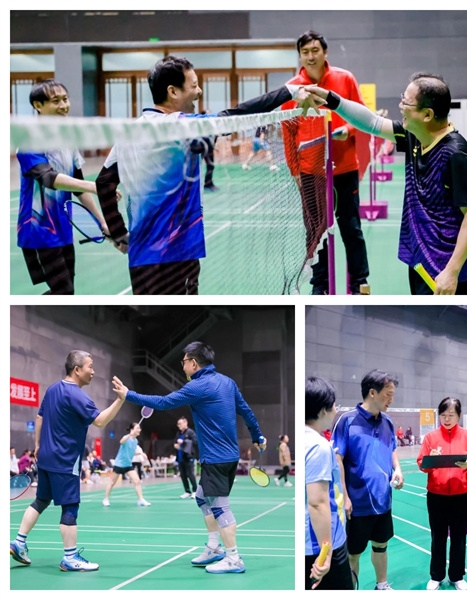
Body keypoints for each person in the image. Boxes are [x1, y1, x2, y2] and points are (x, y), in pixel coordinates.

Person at [96, 55, 320, 295]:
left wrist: (119, 233)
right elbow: (236, 115)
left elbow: (104, 181)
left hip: (141, 257)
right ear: (173, 91)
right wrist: (290, 91)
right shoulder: (181, 126)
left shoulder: (130, 131)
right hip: (177, 254)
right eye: (193, 85)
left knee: (150, 314)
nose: (199, 91)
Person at [306, 72, 467, 295]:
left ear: (427, 114)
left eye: (406, 102)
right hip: (421, 263)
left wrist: (451, 271)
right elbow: (372, 122)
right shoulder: (416, 137)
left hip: (447, 274)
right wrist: (330, 99)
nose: (400, 106)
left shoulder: (455, 154)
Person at [112, 341, 266, 574]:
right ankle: (214, 548)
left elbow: (164, 402)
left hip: (216, 458)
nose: (182, 366)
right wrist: (257, 436)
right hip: (228, 456)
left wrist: (128, 395)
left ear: (194, 363)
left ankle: (234, 558)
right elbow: (246, 411)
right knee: (202, 497)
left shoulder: (197, 386)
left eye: (183, 361)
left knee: (220, 507)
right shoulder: (228, 382)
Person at [10, 350, 127, 571]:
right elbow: (100, 421)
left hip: (46, 457)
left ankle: (19, 542)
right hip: (65, 460)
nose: (93, 372)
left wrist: (37, 445)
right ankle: (70, 557)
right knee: (70, 507)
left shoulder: (52, 389)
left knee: (41, 500)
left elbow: (39, 417)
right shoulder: (78, 395)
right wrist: (120, 400)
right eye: (90, 366)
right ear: (77, 369)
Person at [281, 30, 370, 295]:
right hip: (311, 172)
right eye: (305, 52)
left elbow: (362, 115)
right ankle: (320, 286)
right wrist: (295, 172)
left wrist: (348, 131)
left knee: (351, 227)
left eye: (315, 50)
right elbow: (288, 134)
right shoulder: (292, 89)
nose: (310, 56)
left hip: (344, 168)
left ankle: (359, 282)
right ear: (300, 55)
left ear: (325, 52)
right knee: (315, 232)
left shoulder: (345, 79)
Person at [16, 79, 112, 295]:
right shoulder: (29, 141)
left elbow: (78, 188)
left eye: (65, 99)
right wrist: (94, 186)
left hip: (63, 227)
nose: (63, 106)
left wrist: (102, 222)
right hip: (39, 230)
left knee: (66, 291)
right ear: (38, 106)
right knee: (63, 291)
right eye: (55, 101)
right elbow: (48, 178)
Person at [331, 369, 404, 590]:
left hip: (383, 501)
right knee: (353, 554)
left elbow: (392, 449)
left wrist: (398, 470)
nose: (391, 399)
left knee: (381, 545)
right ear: (372, 392)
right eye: (388, 394)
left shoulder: (388, 422)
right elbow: (337, 460)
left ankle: (382, 586)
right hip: (357, 505)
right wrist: (344, 497)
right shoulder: (346, 421)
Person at [417, 396, 467, 590]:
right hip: (436, 496)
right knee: (437, 536)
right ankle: (436, 576)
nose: (446, 419)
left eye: (451, 415)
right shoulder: (430, 438)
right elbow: (421, 464)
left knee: (459, 537)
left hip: (461, 496)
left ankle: (456, 575)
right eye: (443, 415)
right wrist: (430, 460)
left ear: (459, 416)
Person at [305, 376, 354, 590]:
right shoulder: (318, 446)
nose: (336, 410)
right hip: (321, 546)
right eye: (334, 405)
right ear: (323, 410)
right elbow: (317, 503)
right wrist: (326, 552)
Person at [103, 422, 151, 507]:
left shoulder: (135, 441)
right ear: (132, 429)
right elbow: (121, 442)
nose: (139, 430)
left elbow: (131, 452)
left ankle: (141, 500)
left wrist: (140, 453)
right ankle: (105, 499)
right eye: (137, 428)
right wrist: (129, 434)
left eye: (139, 428)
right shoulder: (126, 437)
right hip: (119, 464)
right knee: (112, 482)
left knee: (137, 481)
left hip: (128, 465)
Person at [174, 416, 198, 498]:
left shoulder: (190, 432)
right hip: (180, 457)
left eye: (180, 424)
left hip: (189, 457)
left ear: (185, 423)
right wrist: (175, 445)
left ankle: (195, 491)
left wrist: (183, 441)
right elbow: (175, 442)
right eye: (178, 424)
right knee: (183, 475)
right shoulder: (178, 433)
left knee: (190, 474)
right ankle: (187, 491)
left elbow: (195, 442)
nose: (179, 425)